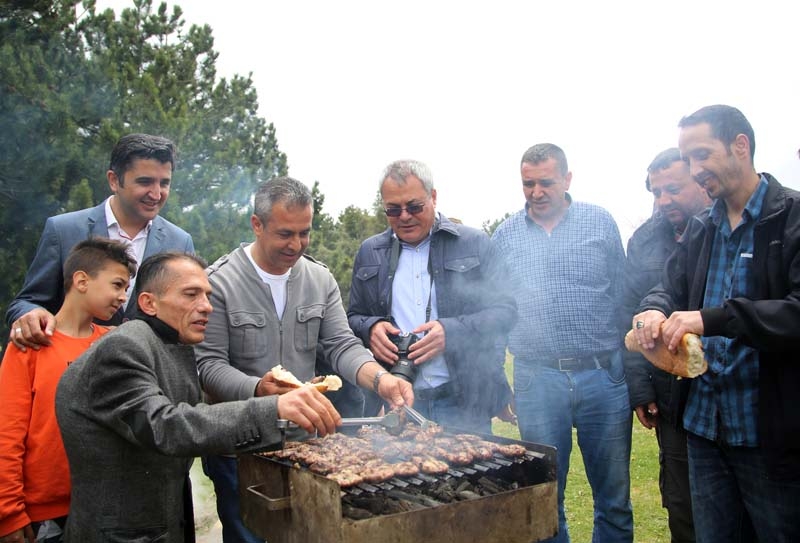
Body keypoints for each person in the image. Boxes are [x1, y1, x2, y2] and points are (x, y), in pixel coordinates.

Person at [55, 251, 344, 543]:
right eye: (191, 294)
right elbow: (165, 426)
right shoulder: (123, 347)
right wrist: (273, 409)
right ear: (148, 303)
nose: (206, 306)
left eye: (207, 295)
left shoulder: (173, 345)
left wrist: (271, 397)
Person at [194, 176, 414, 543]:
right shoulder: (217, 283)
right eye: (285, 234)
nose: (296, 245)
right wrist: (259, 389)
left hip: (305, 446)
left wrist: (381, 379)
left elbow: (341, 344)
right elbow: (208, 367)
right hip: (240, 451)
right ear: (257, 224)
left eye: (304, 233)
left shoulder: (319, 278)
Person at [632, 104, 800, 542]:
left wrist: (712, 319)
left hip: (771, 436)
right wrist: (652, 309)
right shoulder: (703, 226)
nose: (695, 169)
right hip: (704, 429)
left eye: (702, 154)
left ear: (740, 146)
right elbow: (669, 286)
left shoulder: (792, 216)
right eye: (689, 159)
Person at [491, 143, 633, 543]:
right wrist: (498, 380)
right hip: (537, 379)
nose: (536, 192)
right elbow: (497, 310)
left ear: (567, 179)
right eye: (528, 184)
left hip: (602, 375)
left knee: (614, 499)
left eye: (546, 183)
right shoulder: (505, 235)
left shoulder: (599, 222)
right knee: (544, 496)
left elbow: (622, 298)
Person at [347, 159, 516, 433]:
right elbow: (353, 317)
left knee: (470, 475)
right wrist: (371, 328)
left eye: (414, 206)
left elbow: (506, 311)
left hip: (462, 401)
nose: (404, 216)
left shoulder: (474, 243)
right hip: (398, 401)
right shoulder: (369, 251)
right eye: (393, 209)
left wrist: (451, 332)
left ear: (433, 197)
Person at [0, 239, 137, 543]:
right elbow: (7, 434)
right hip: (43, 514)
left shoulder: (114, 344)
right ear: (81, 280)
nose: (123, 297)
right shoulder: (29, 347)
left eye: (126, 289)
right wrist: (8, 513)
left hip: (105, 505)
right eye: (117, 285)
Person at [5, 133, 194, 351]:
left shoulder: (180, 242)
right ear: (114, 180)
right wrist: (30, 315)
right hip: (68, 372)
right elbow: (27, 301)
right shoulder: (63, 230)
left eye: (164, 183)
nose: (156, 193)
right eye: (145, 182)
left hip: (144, 376)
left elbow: (183, 318)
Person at [622, 148, 710, 543]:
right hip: (673, 398)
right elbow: (632, 313)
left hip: (731, 395)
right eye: (656, 192)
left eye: (673, 189)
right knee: (682, 504)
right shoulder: (644, 239)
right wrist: (641, 387)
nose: (664, 201)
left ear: (701, 178)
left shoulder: (721, 229)